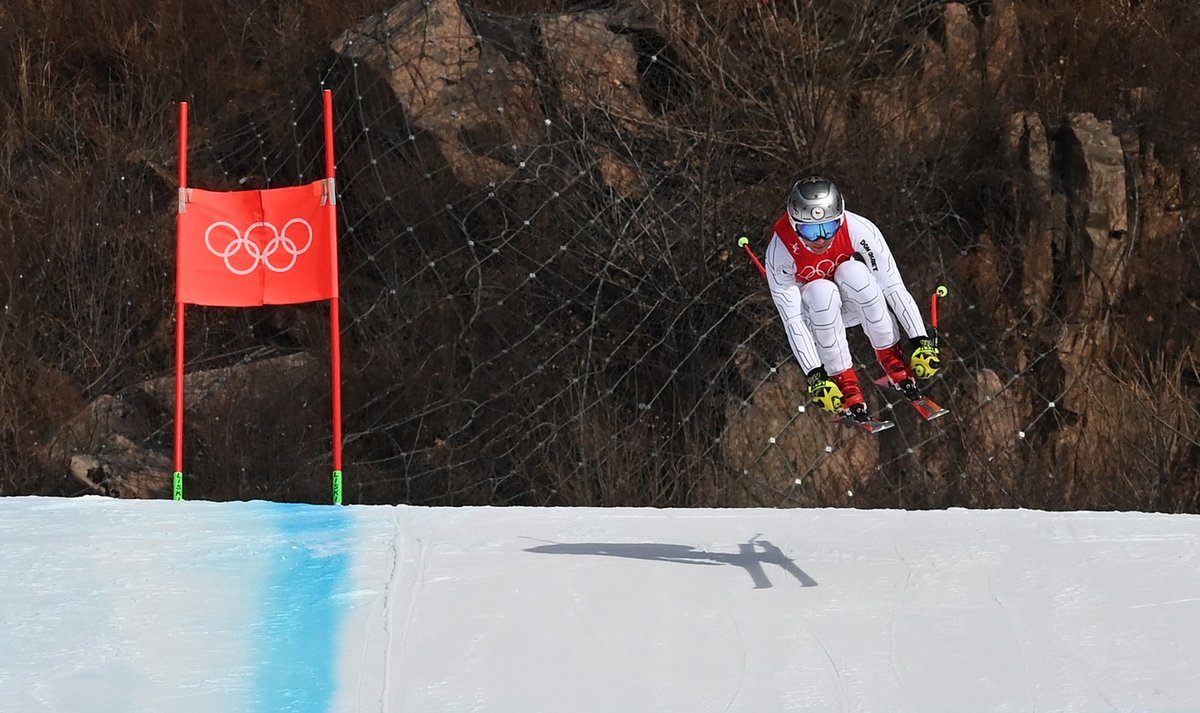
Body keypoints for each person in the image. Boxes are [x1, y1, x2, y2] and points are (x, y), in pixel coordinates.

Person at [764, 176, 940, 418]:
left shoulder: (858, 228)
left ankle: (893, 359)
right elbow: (792, 320)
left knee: (855, 271)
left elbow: (893, 286)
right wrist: (815, 375)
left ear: (841, 217)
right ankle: (845, 384)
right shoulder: (780, 251)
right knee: (820, 291)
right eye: (810, 230)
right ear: (794, 225)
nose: (822, 239)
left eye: (829, 227)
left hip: (852, 302)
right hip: (815, 316)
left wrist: (920, 340)